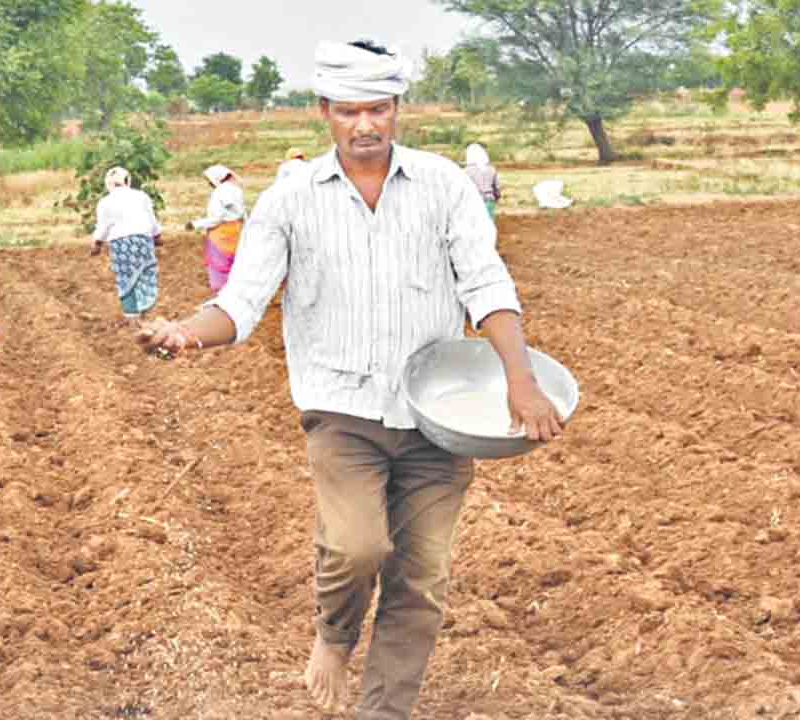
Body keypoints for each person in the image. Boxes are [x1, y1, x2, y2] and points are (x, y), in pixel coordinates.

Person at [137, 38, 563, 720]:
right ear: (324, 112)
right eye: (348, 111)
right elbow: (241, 301)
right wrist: (186, 332)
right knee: (358, 544)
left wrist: (522, 378)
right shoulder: (290, 199)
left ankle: (382, 711)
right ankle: (333, 637)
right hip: (341, 412)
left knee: (420, 578)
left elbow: (486, 284)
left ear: (398, 109)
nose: (365, 125)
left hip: (437, 416)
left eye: (379, 109)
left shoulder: (444, 186)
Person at [90, 167, 163, 320]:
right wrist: (157, 236)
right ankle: (146, 309)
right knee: (146, 272)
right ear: (127, 181)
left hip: (121, 243)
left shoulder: (105, 202)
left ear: (108, 184)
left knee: (126, 277)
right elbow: (151, 218)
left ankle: (132, 316)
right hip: (143, 240)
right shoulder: (141, 196)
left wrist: (97, 243)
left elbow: (103, 226)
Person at [188, 164, 245, 292]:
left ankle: (223, 297)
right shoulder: (237, 190)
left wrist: (195, 224)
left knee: (221, 266)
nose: (209, 183)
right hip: (237, 231)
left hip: (221, 234)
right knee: (236, 264)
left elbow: (216, 218)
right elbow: (242, 213)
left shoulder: (219, 192)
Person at [464, 142, 501, 219]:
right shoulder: (491, 169)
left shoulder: (466, 171)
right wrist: (496, 197)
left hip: (473, 201)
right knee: (489, 224)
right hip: (489, 200)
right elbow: (497, 187)